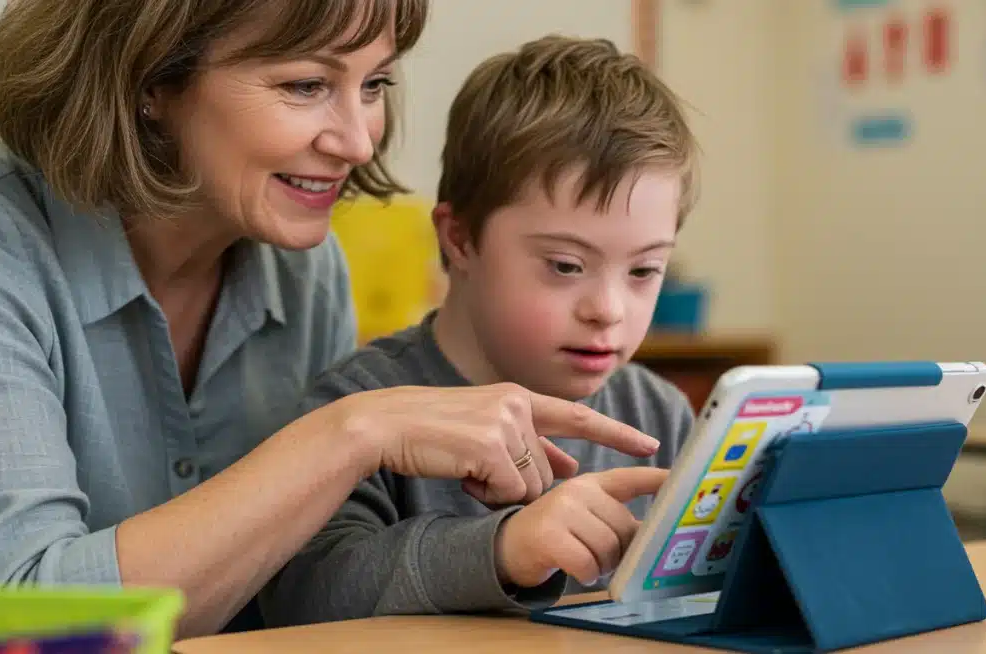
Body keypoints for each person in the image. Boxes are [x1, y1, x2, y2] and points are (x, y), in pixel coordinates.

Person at [0, 0, 667, 639]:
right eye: (306, 84)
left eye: (372, 83)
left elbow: (293, 603)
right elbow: (11, 629)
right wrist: (351, 432)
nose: (359, 140)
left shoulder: (302, 266)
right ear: (149, 80)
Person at [260, 34, 701, 626]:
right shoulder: (360, 409)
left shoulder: (658, 415)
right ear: (460, 239)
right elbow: (302, 596)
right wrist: (503, 549)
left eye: (645, 270)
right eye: (566, 266)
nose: (609, 309)